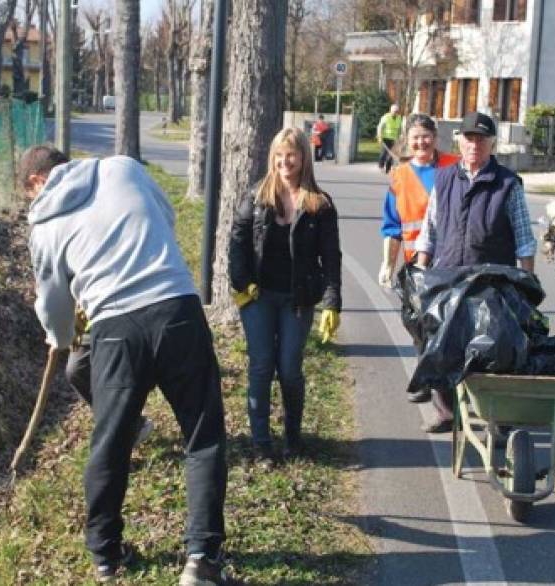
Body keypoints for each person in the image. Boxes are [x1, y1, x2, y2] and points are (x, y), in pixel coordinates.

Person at [21, 145, 229, 585]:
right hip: (177, 308)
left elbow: (54, 304)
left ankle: (105, 556)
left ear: (34, 183)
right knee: (202, 436)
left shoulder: (43, 223)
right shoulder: (122, 169)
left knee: (111, 443)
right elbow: (166, 218)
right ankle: (202, 560)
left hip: (115, 329)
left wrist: (59, 338)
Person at [414, 111, 537, 433]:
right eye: (469, 138)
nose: (474, 144)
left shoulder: (508, 184)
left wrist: (528, 284)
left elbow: (524, 238)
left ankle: (496, 416)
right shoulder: (444, 178)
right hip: (448, 276)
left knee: (496, 348)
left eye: (481, 139)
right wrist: (420, 271)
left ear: (492, 144)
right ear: (459, 141)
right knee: (439, 342)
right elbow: (430, 229)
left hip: (492, 281)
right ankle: (445, 411)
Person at [228, 128, 342, 464]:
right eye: (279, 154)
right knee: (261, 366)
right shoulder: (256, 196)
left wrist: (332, 302)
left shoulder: (320, 204)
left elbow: (331, 256)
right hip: (258, 297)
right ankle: (261, 442)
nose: (284, 161)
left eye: (291, 154)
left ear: (304, 157)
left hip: (298, 300)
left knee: (290, 369)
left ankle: (293, 436)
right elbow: (237, 242)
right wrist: (241, 282)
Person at [379, 113, 461, 403]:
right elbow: (392, 224)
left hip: (452, 260)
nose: (421, 142)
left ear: (435, 138)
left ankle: (446, 390)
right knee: (418, 324)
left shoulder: (454, 165)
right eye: (415, 137)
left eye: (426, 136)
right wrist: (388, 263)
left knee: (447, 325)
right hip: (417, 262)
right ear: (407, 140)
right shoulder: (400, 175)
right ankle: (427, 379)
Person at [65, 308, 155, 446]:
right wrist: (59, 334)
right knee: (76, 370)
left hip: (130, 311)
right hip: (90, 322)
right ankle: (128, 425)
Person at [376, 104, 403, 174]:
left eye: (397, 111)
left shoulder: (399, 118)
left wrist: (400, 137)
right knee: (384, 153)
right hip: (385, 138)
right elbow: (380, 127)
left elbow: (399, 128)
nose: (395, 113)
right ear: (391, 111)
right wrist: (379, 137)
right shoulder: (386, 117)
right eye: (394, 111)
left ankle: (388, 168)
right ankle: (381, 166)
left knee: (392, 154)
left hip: (394, 139)